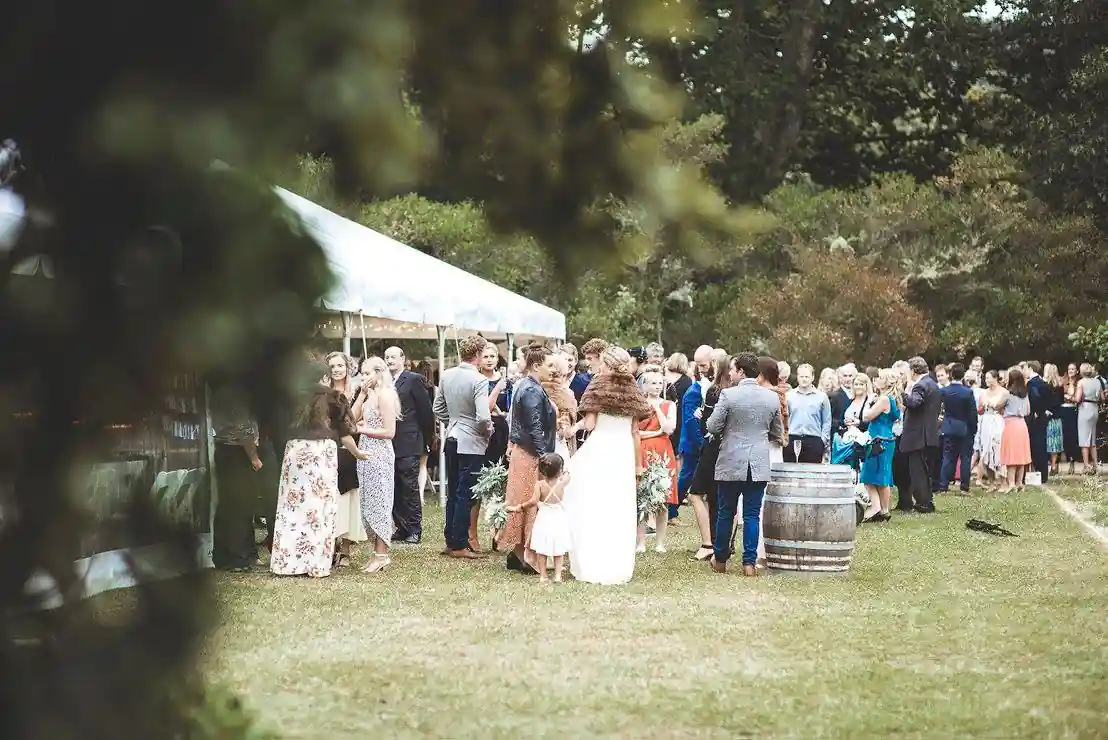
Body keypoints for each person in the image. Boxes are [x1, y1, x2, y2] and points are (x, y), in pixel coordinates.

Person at [562, 346, 652, 585]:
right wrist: (637, 466)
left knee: (590, 502)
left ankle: (590, 558)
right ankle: (616, 563)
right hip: (622, 452)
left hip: (600, 448)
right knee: (618, 506)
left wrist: (574, 427)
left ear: (607, 364)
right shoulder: (633, 388)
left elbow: (590, 425)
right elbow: (635, 432)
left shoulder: (597, 385)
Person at [705, 352, 783, 577]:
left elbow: (712, 426)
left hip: (731, 459)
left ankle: (720, 559)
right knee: (752, 514)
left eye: (732, 369)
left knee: (725, 512)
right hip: (758, 461)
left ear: (741, 371)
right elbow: (777, 432)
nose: (729, 373)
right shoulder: (771, 397)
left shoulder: (729, 396)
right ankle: (749, 563)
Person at [432, 335, 493, 560]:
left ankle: (451, 540)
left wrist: (455, 420)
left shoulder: (447, 375)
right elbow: (483, 417)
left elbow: (437, 409)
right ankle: (458, 544)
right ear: (477, 355)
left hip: (452, 437)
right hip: (471, 442)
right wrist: (488, 432)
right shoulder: (478, 380)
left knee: (452, 491)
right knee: (465, 493)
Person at [499, 344, 557, 572]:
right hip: (530, 453)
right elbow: (534, 426)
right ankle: (525, 555)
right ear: (536, 365)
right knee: (528, 503)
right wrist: (544, 456)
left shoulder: (528, 385)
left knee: (522, 501)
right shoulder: (532, 389)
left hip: (525, 451)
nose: (553, 370)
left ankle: (518, 553)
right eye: (549, 365)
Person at [384, 346, 435, 545]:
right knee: (394, 485)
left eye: (393, 357)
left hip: (410, 440)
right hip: (390, 441)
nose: (390, 361)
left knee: (409, 486)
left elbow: (425, 411)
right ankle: (401, 527)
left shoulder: (413, 379)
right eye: (387, 357)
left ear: (402, 359)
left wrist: (427, 438)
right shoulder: (385, 382)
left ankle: (415, 528)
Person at [354, 357, 400, 574]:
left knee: (380, 501)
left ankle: (382, 554)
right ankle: (376, 553)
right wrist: (362, 393)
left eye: (367, 373)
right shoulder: (369, 396)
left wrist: (362, 430)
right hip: (364, 453)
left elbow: (389, 432)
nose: (364, 378)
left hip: (379, 454)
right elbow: (350, 419)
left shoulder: (386, 396)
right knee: (368, 502)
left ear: (379, 373)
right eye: (362, 374)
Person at [507, 453, 571, 584]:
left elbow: (533, 501)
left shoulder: (540, 485)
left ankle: (543, 576)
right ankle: (558, 576)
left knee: (542, 549)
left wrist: (520, 506)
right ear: (559, 470)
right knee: (558, 549)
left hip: (544, 517)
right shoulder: (562, 483)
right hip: (558, 517)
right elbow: (567, 476)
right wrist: (565, 472)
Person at [637, 368, 678, 553]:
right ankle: (641, 542)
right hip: (643, 449)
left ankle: (660, 542)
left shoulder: (669, 404)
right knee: (641, 497)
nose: (656, 386)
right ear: (644, 385)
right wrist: (654, 433)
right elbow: (634, 431)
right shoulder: (638, 404)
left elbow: (669, 428)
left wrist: (656, 409)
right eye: (652, 383)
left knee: (663, 498)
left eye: (659, 383)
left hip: (663, 451)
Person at [899, 356, 941, 513]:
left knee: (917, 471)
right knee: (923, 470)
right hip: (928, 433)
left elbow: (914, 402)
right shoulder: (932, 383)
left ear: (913, 370)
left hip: (918, 435)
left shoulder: (921, 385)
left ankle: (923, 502)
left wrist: (901, 394)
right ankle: (926, 500)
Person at [861, 369, 900, 521]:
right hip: (887, 438)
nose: (876, 379)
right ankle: (883, 510)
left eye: (880, 378)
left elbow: (866, 416)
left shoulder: (884, 399)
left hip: (879, 439)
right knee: (883, 473)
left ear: (887, 382)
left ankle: (877, 507)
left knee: (869, 474)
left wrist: (869, 400)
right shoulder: (892, 399)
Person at [937, 362, 977, 494]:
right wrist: (973, 429)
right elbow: (972, 413)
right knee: (965, 457)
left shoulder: (944, 391)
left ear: (950, 375)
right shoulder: (968, 392)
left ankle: (943, 485)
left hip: (948, 426)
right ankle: (964, 486)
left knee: (948, 456)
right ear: (963, 375)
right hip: (965, 428)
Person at [785, 363, 832, 463]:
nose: (804, 379)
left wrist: (822, 441)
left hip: (814, 440)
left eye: (807, 377)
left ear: (812, 377)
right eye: (801, 376)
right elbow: (784, 418)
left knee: (812, 475)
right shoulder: (789, 396)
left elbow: (827, 421)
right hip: (793, 438)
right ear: (797, 377)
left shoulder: (822, 397)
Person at [999, 367, 1033, 492]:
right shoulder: (1025, 394)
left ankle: (1011, 483)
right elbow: (1028, 411)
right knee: (1021, 455)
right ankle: (1019, 482)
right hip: (1022, 424)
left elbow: (998, 405)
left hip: (1010, 424)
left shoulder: (1008, 395)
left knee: (1011, 455)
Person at [1024, 360, 1054, 484]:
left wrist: (1037, 410)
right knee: (1041, 444)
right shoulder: (1043, 383)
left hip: (1035, 418)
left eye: (1026, 368)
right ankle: (1043, 474)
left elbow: (1035, 398)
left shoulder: (1032, 384)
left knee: (1035, 445)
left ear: (1031, 369)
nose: (1024, 371)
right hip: (1043, 418)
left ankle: (1037, 473)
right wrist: (1046, 410)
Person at [1074, 363, 1103, 475]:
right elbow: (1103, 398)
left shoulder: (1081, 382)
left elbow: (1077, 399)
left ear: (1081, 371)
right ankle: (1095, 464)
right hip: (1094, 409)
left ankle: (1087, 466)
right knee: (1092, 440)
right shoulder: (1097, 382)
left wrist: (1069, 397)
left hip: (1085, 409)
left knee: (1084, 439)